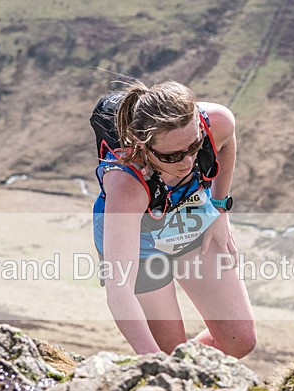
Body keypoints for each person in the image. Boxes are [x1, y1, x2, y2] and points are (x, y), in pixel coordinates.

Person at [92, 79, 255, 358]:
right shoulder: (125, 185)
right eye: (173, 156)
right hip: (139, 240)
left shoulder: (215, 120)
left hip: (189, 215)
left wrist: (219, 208)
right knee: (168, 355)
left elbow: (227, 141)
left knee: (240, 341)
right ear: (143, 147)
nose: (188, 162)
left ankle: (188, 365)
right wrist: (154, 364)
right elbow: (119, 292)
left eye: (194, 147)